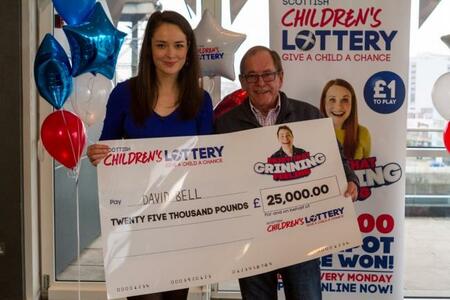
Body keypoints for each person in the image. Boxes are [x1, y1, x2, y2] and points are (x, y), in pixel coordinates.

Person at [215, 45, 359, 300]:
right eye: (252, 76)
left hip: (301, 236)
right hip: (252, 239)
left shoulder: (309, 115)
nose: (261, 83)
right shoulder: (225, 125)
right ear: (242, 82)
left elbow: (337, 158)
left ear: (281, 77)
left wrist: (350, 180)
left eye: (268, 75)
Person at [87, 10, 213, 300]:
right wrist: (98, 154)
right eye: (161, 45)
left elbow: (208, 161)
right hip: (135, 221)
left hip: (182, 220)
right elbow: (108, 149)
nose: (171, 54)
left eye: (179, 45)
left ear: (189, 50)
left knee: (175, 297)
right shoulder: (123, 94)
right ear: (149, 49)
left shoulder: (201, 100)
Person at [320, 78, 371, 159]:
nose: (338, 106)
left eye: (345, 100)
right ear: (324, 102)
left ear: (352, 104)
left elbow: (365, 170)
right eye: (332, 99)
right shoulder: (312, 132)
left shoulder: (363, 133)